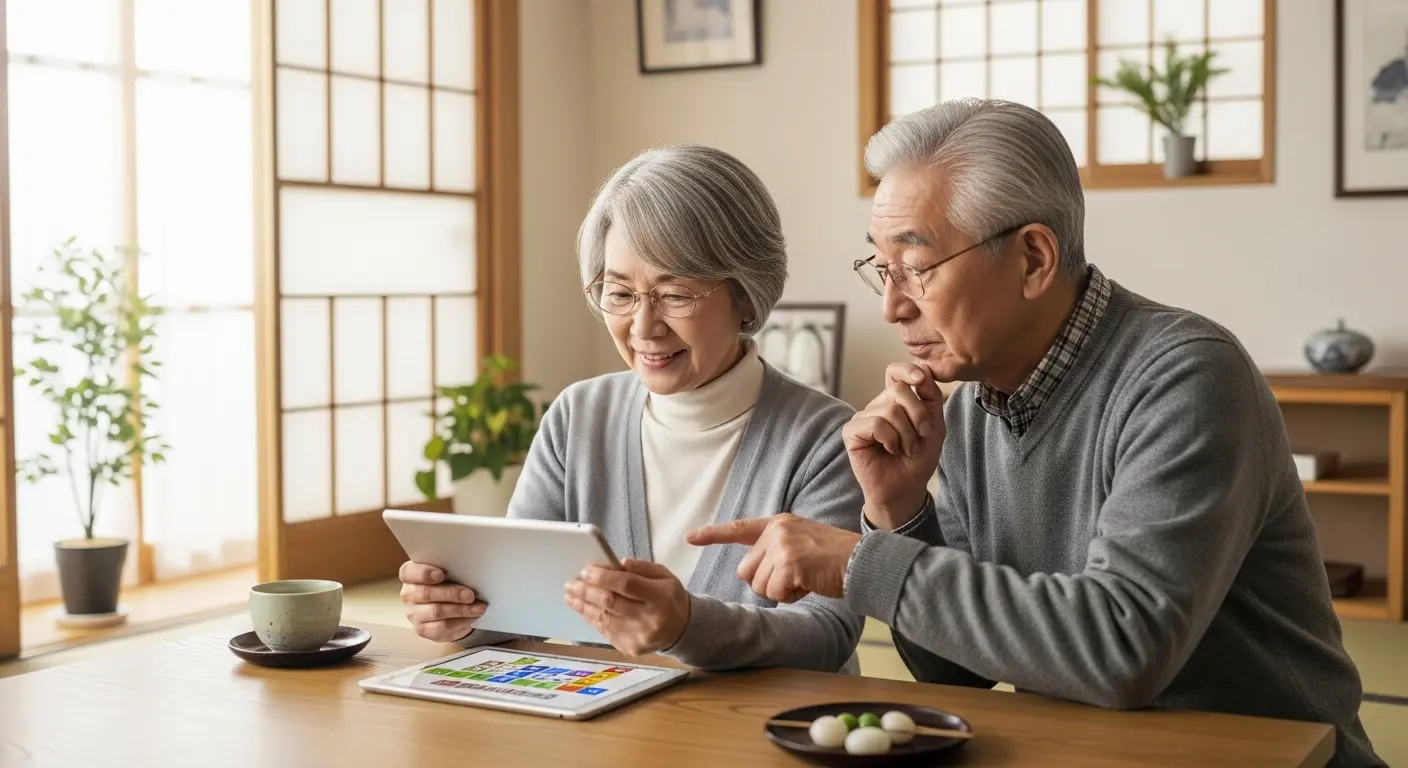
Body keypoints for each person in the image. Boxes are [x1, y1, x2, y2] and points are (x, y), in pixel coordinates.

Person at [689, 100, 1383, 766]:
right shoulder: (969, 409)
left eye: (917, 268)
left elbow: (1122, 648)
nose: (894, 305)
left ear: (1032, 259)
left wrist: (855, 563)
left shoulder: (1188, 376)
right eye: (883, 268)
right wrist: (898, 513)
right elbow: (957, 673)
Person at [398, 144, 866, 674]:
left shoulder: (826, 438)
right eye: (619, 293)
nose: (644, 327)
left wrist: (686, 626)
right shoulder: (578, 416)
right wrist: (461, 612)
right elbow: (522, 602)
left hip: (762, 735)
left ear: (747, 297)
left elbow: (828, 634)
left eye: (675, 294)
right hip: (601, 723)